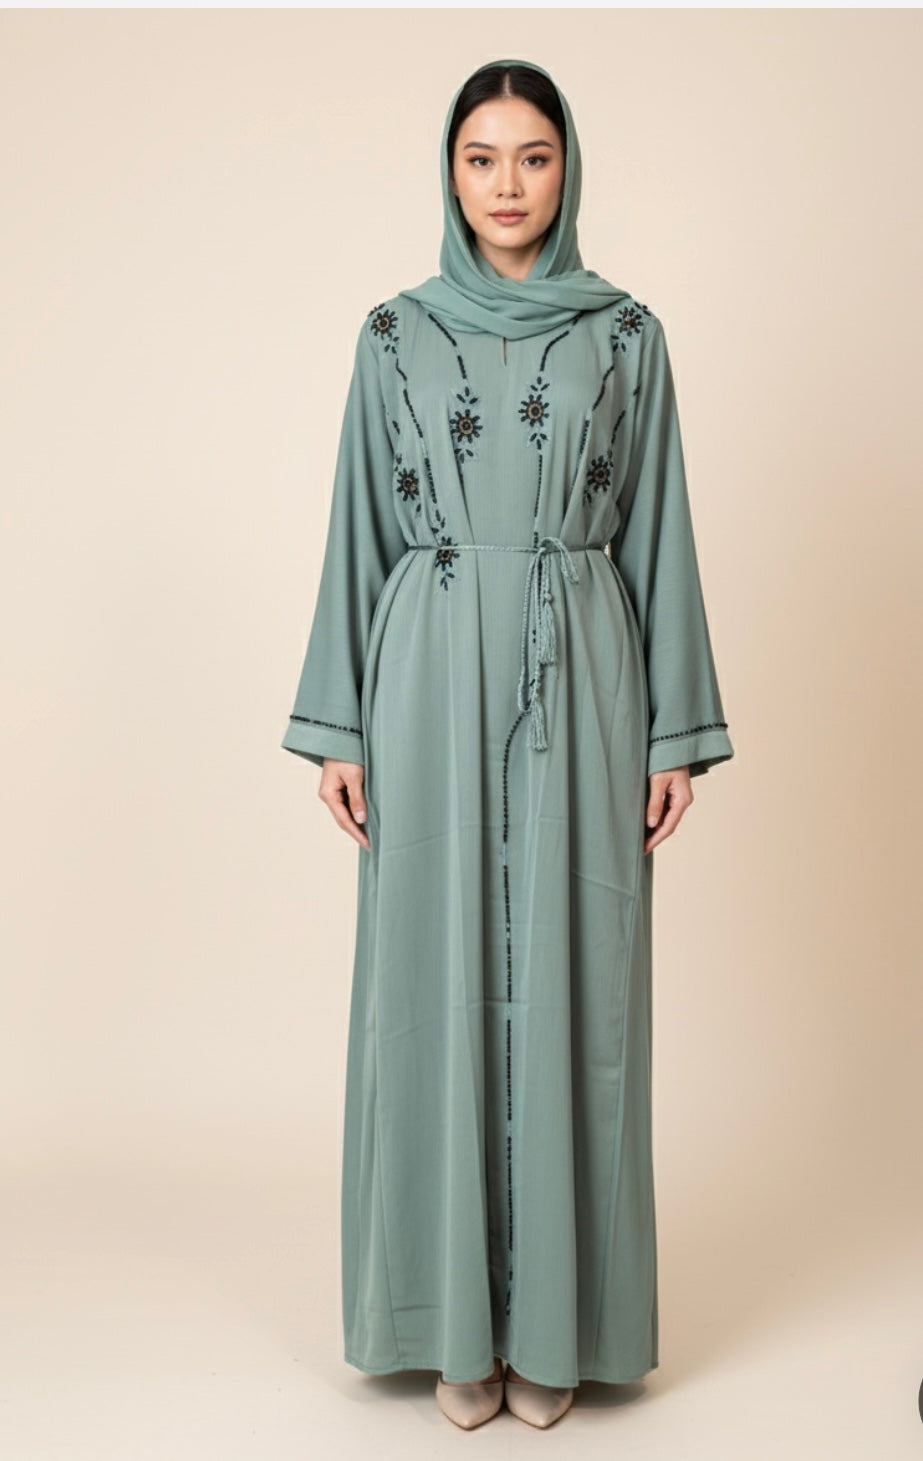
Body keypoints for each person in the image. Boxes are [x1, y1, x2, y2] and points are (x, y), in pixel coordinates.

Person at [281, 57, 734, 1431]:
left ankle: (557, 1329)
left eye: (533, 156)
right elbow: (359, 529)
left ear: (567, 168)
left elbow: (658, 532)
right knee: (432, 979)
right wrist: (341, 724)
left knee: (577, 976)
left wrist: (673, 731)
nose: (508, 186)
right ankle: (451, 1324)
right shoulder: (392, 336)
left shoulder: (628, 335)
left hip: (582, 668)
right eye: (482, 158)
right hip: (425, 676)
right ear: (450, 173)